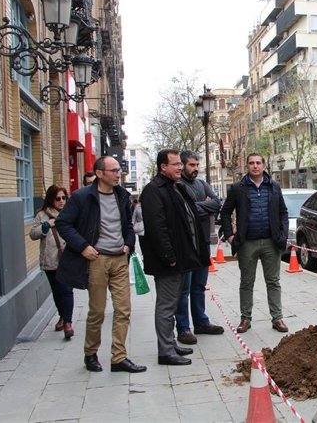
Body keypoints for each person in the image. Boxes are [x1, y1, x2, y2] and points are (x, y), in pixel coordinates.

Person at [56, 156, 146, 373]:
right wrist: (83, 246)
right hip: (96, 259)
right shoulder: (82, 197)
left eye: (119, 170)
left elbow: (128, 224)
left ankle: (119, 357)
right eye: (113, 170)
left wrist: (128, 243)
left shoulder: (122, 195)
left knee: (123, 309)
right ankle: (90, 353)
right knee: (97, 310)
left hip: (119, 258)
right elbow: (63, 223)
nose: (118, 174)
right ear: (99, 173)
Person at [140, 149, 210, 366]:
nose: (180, 167)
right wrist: (168, 256)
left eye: (181, 164)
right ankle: (165, 351)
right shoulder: (154, 190)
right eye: (176, 164)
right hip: (168, 261)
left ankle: (171, 344)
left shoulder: (175, 187)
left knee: (172, 303)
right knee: (166, 306)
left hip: (182, 258)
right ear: (163, 167)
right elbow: (157, 227)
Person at [220, 153, 289, 334]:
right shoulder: (238, 188)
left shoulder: (274, 186)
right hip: (247, 243)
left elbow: (283, 212)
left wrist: (283, 235)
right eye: (251, 163)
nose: (255, 166)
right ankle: (245, 319)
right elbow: (225, 212)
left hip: (270, 242)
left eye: (258, 163)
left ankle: (277, 318)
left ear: (264, 165)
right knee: (246, 282)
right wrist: (229, 236)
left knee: (273, 281)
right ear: (247, 166)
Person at [175, 150, 224, 345]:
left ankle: (201, 322)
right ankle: (183, 327)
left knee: (199, 286)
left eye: (197, 165)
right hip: (186, 245)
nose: (195, 169)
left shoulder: (202, 184)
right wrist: (203, 206)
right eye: (191, 165)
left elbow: (217, 204)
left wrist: (196, 207)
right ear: (183, 165)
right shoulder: (177, 186)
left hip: (203, 243)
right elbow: (182, 211)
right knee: (183, 289)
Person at [30, 185, 74, 340]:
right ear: (51, 199)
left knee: (67, 290)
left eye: (64, 198)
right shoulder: (42, 215)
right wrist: (46, 225)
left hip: (68, 259)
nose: (61, 201)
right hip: (50, 259)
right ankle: (63, 316)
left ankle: (68, 323)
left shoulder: (71, 212)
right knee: (57, 291)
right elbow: (33, 234)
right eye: (58, 198)